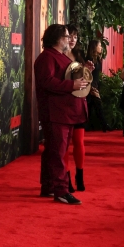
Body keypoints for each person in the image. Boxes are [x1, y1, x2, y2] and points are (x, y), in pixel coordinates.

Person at [34, 24, 89, 204]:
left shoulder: (59, 56)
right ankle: (61, 190)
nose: (69, 40)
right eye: (66, 36)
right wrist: (72, 85)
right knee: (58, 152)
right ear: (58, 38)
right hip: (55, 113)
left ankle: (49, 186)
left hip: (64, 112)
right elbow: (46, 82)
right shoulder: (47, 57)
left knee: (54, 150)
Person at [63, 25, 88, 191]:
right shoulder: (57, 56)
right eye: (69, 36)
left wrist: (88, 71)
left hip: (78, 103)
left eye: (75, 37)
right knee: (64, 145)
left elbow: (84, 78)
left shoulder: (79, 55)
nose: (72, 40)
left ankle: (80, 175)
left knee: (79, 142)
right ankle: (66, 178)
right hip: (64, 104)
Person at [84, 39, 110, 132]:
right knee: (97, 105)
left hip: (95, 84)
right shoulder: (89, 60)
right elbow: (87, 74)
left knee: (91, 106)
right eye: (99, 46)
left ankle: (88, 126)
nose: (101, 48)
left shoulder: (98, 59)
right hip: (90, 85)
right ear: (94, 47)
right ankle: (104, 125)